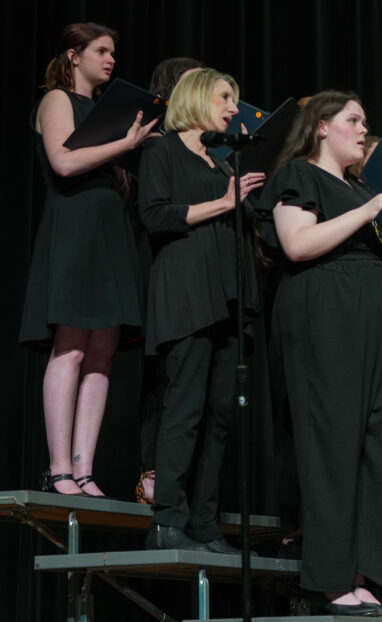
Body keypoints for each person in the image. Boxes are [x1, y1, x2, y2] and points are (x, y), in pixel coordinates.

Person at [257, 90, 382, 616]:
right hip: (326, 311)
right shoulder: (300, 176)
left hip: (377, 315)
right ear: (322, 127)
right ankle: (328, 576)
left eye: (364, 121)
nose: (364, 130)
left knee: (376, 442)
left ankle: (366, 570)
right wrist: (367, 209)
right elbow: (296, 244)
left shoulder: (362, 187)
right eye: (353, 120)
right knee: (332, 441)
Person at [21, 22, 157, 497]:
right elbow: (63, 161)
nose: (111, 58)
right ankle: (59, 467)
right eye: (102, 50)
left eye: (113, 52)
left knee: (102, 352)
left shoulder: (105, 111)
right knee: (72, 345)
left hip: (109, 231)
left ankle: (84, 470)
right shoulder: (58, 100)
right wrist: (126, 144)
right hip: (75, 228)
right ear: (74, 56)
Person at [138, 68, 264, 552]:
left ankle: (205, 526)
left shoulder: (222, 161)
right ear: (194, 98)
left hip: (228, 298)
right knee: (186, 409)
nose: (234, 107)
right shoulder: (161, 150)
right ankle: (167, 521)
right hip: (188, 295)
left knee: (219, 416)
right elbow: (155, 215)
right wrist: (225, 201)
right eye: (226, 97)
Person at [136, 55, 205, 506]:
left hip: (200, 268)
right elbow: (154, 212)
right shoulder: (155, 145)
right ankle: (153, 471)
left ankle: (187, 482)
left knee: (195, 386)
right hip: (159, 260)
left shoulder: (211, 151)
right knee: (165, 374)